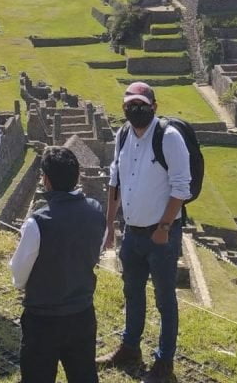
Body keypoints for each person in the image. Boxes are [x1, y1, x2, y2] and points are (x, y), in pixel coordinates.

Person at [98, 82, 191, 383]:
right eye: (130, 105)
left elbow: (181, 187)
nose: (135, 110)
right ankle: (130, 347)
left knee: (165, 300)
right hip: (132, 232)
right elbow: (115, 179)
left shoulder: (169, 137)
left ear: (154, 106)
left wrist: (164, 228)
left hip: (160, 236)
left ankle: (164, 363)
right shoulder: (123, 134)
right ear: (124, 108)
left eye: (141, 105)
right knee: (132, 291)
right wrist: (110, 224)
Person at [10, 146, 104, 383]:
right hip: (82, 314)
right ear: (77, 176)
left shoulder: (37, 223)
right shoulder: (95, 211)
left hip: (43, 319)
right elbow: (95, 252)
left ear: (46, 180)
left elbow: (18, 276)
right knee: (84, 376)